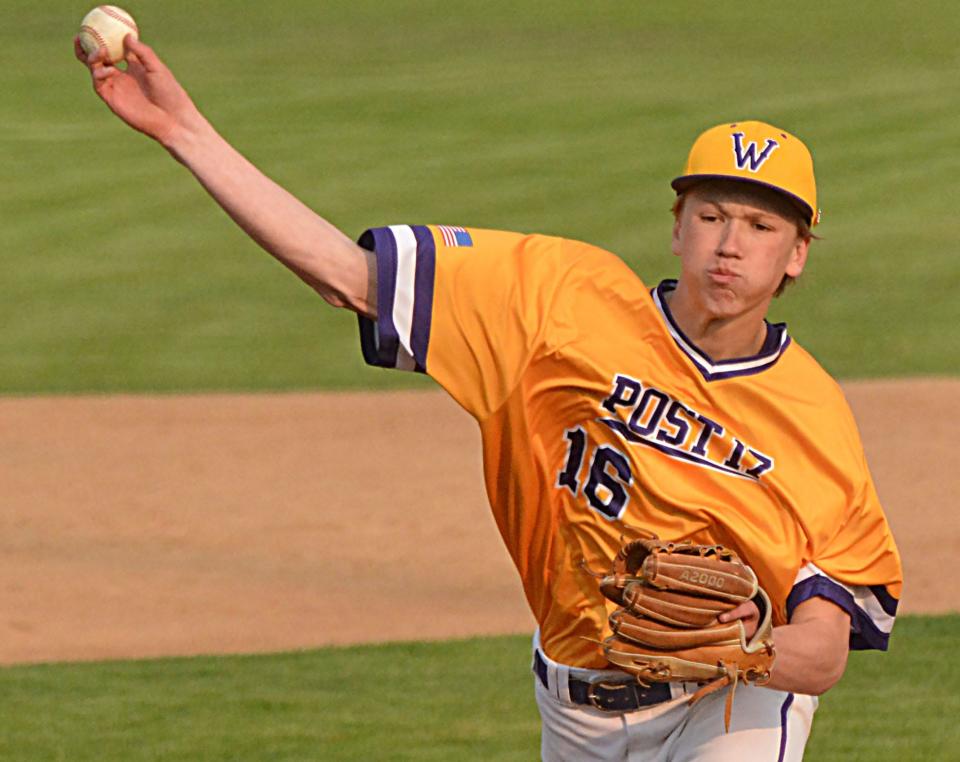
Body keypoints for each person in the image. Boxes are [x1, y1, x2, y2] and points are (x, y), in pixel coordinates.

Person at [75, 35, 903, 761]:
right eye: (713, 216)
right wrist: (182, 132)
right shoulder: (557, 301)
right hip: (572, 702)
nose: (730, 246)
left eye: (761, 228)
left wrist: (739, 651)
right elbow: (346, 275)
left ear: (797, 255)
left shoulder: (814, 416)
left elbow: (826, 650)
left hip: (726, 708)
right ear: (677, 226)